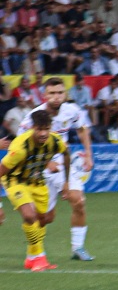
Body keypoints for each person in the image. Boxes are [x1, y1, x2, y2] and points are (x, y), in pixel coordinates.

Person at [17, 78, 95, 261]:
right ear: (44, 96)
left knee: (78, 201)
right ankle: (35, 251)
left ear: (65, 94)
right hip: (39, 168)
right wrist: (45, 162)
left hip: (62, 163)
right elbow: (21, 144)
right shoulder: (34, 116)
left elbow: (82, 129)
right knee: (46, 218)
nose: (56, 97)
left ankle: (78, 247)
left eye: (60, 93)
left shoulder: (72, 110)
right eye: (52, 93)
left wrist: (89, 154)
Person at [0, 109, 70, 271]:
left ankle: (31, 258)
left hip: (37, 181)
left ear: (51, 127)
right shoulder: (20, 147)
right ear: (32, 128)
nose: (43, 133)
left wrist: (66, 182)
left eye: (46, 128)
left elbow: (67, 155)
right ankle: (40, 257)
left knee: (43, 220)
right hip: (15, 181)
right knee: (29, 215)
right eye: (39, 129)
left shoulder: (55, 141)